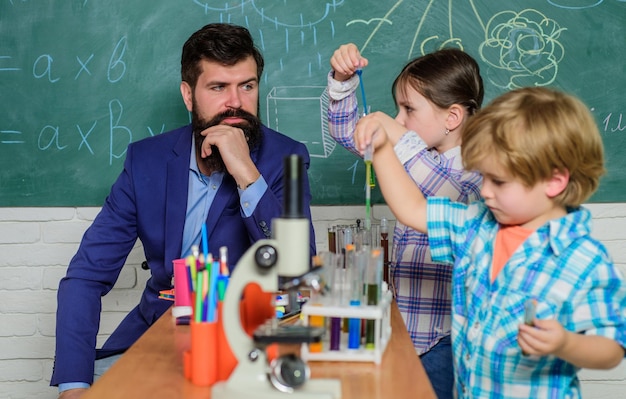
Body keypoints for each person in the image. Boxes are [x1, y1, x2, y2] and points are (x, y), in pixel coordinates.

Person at [51, 23, 316, 398]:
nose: (236, 102)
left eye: (247, 85)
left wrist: (246, 173)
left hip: (247, 347)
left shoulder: (285, 159)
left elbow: (296, 269)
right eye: (218, 87)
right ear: (188, 95)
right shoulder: (146, 161)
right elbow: (86, 276)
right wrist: (73, 386)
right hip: (156, 338)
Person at [353, 86, 626, 398]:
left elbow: (612, 348)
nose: (484, 191)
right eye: (483, 177)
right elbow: (412, 209)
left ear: (554, 180)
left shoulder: (584, 259)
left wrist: (567, 343)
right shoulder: (477, 225)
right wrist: (384, 147)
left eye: (498, 181)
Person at [327, 43, 483, 398]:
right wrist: (342, 81)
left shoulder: (480, 171)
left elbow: (445, 186)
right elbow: (349, 132)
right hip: (404, 335)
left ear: (452, 117)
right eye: (397, 110)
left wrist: (394, 135)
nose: (398, 119)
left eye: (409, 109)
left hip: (445, 344)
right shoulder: (416, 155)